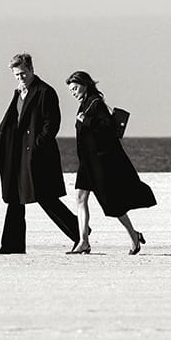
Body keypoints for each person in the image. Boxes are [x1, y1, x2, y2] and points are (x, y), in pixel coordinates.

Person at [0, 53, 81, 254]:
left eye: (23, 74)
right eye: (17, 75)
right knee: (16, 197)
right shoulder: (19, 93)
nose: (20, 78)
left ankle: (79, 232)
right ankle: (12, 245)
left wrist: (36, 146)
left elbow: (52, 124)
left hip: (37, 155)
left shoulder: (45, 92)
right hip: (19, 155)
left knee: (45, 197)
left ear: (32, 69)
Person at [65, 71, 157, 255]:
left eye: (75, 88)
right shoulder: (84, 103)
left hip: (99, 163)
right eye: (71, 90)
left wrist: (87, 120)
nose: (73, 92)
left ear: (85, 84)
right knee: (80, 198)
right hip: (87, 162)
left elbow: (107, 128)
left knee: (113, 204)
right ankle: (83, 241)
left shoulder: (95, 103)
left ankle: (134, 236)